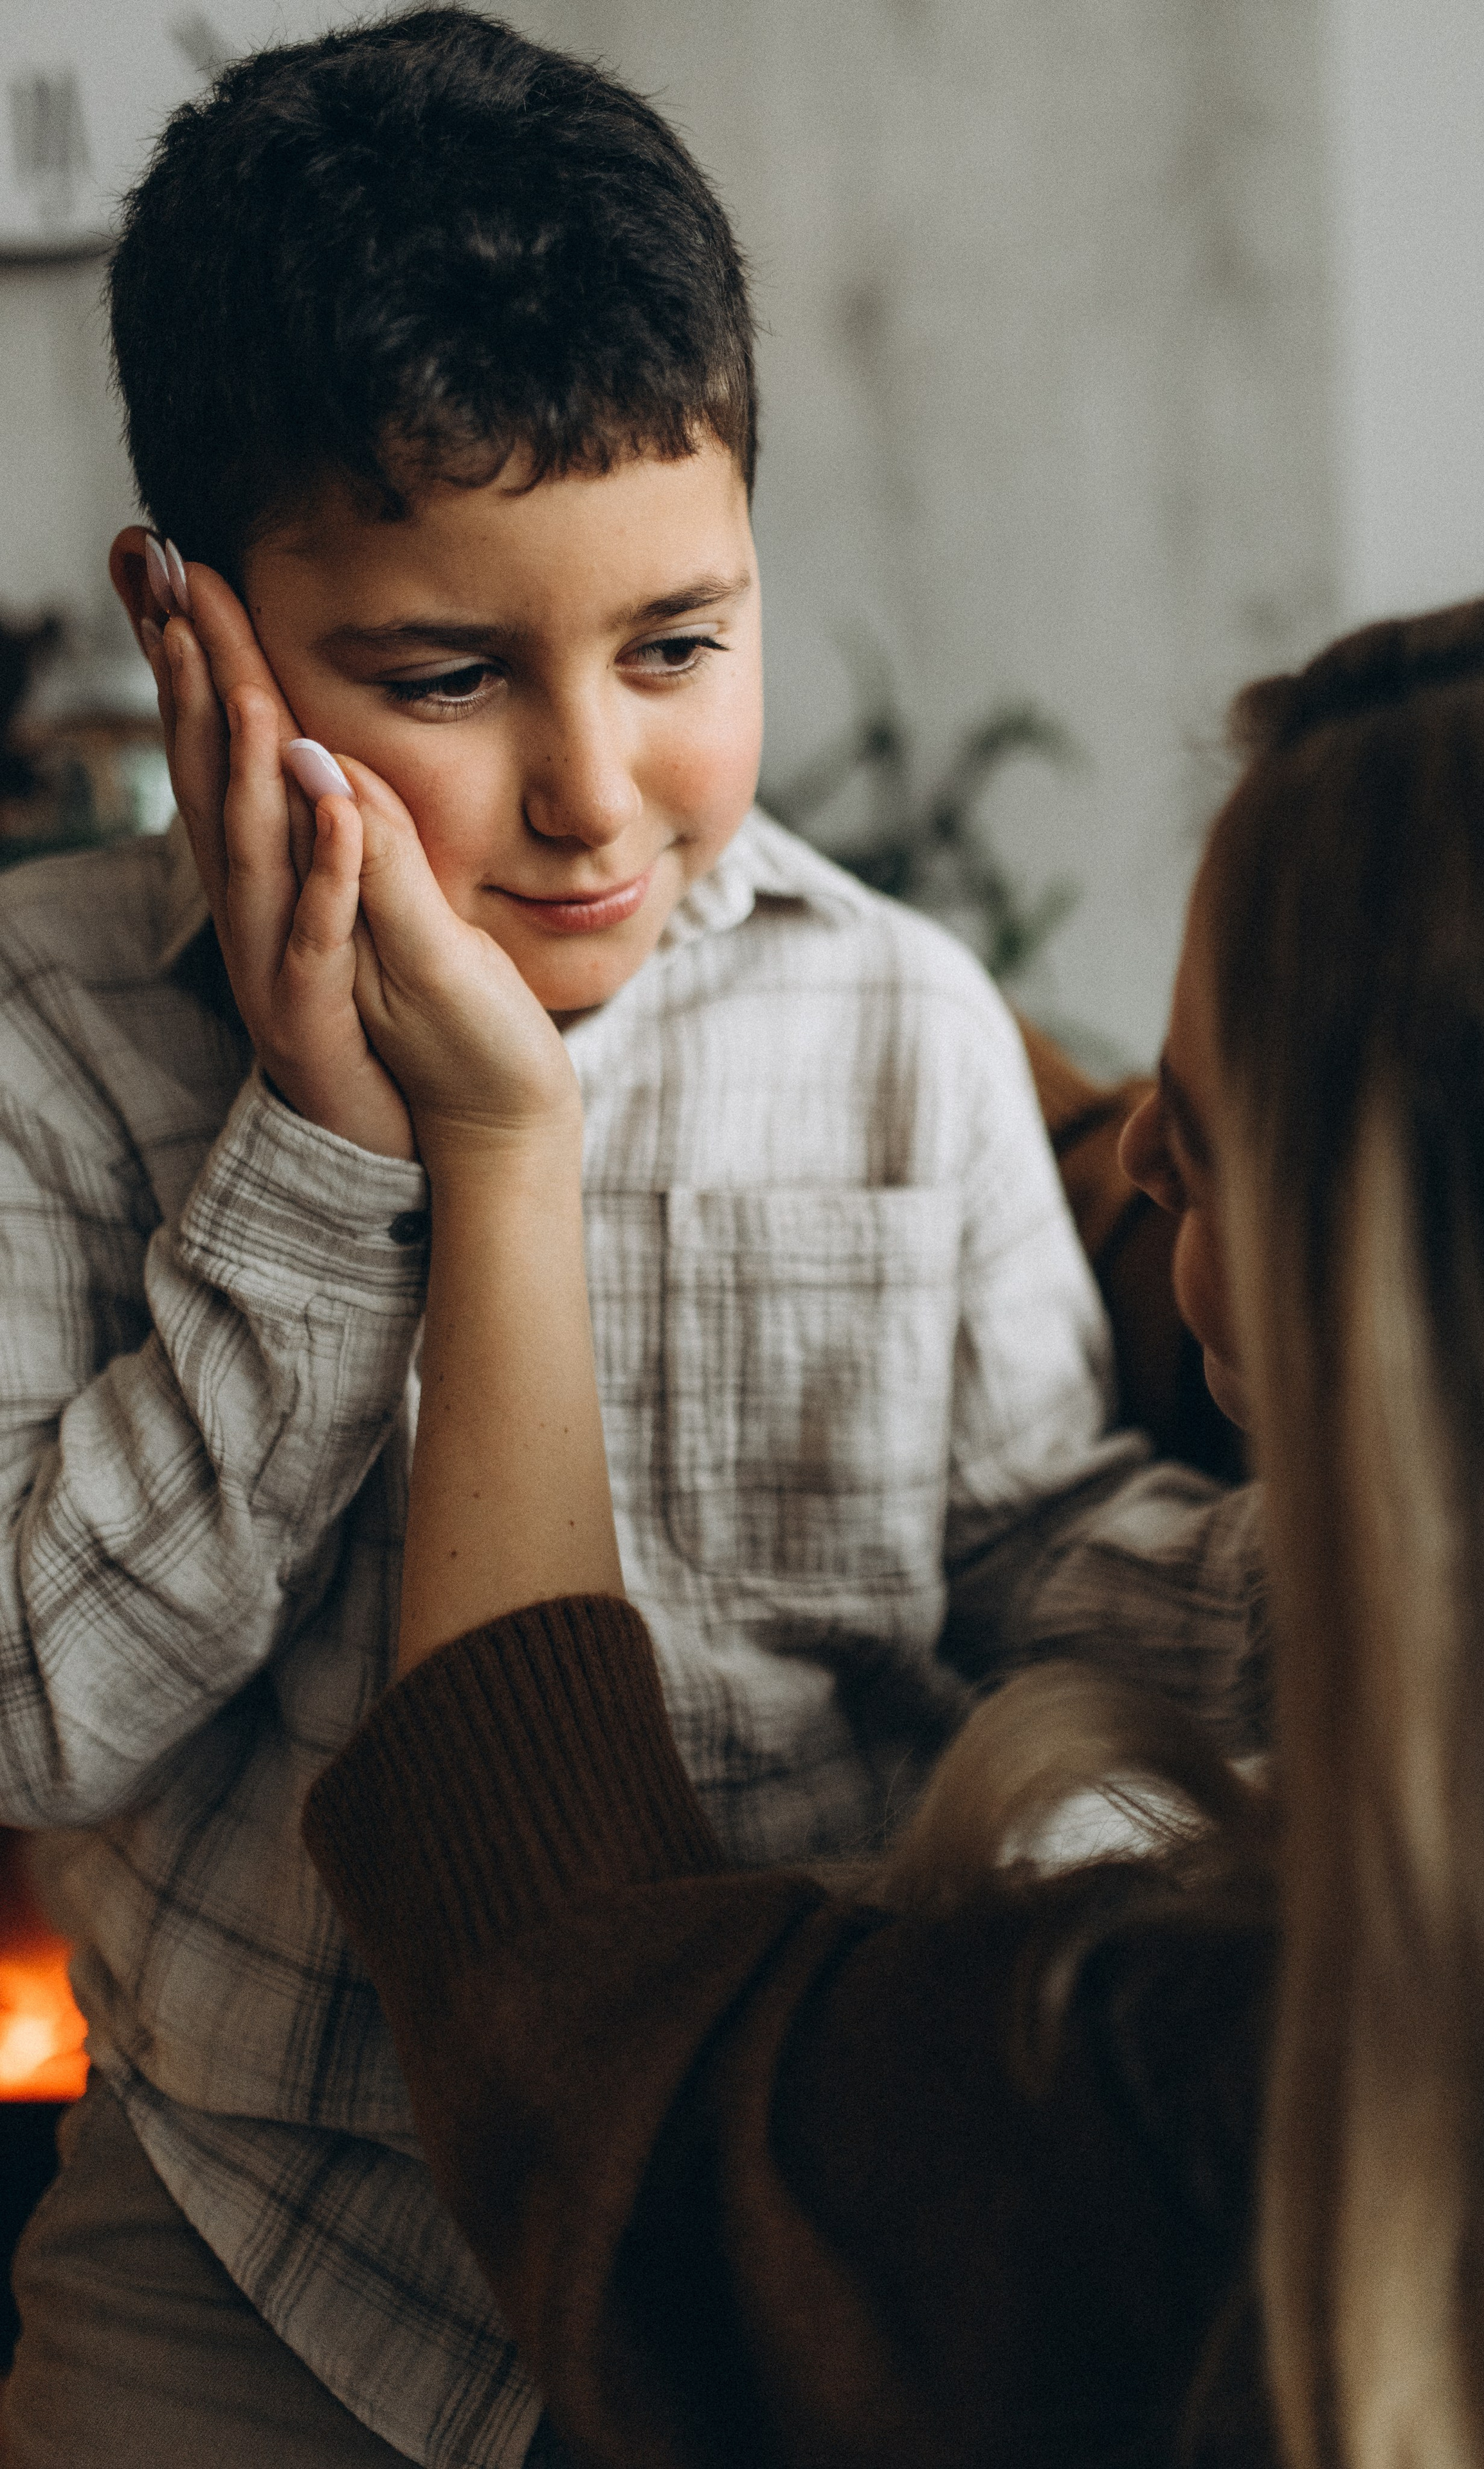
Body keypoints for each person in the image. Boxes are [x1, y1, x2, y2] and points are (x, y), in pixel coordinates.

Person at [0, 13, 1260, 2464]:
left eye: (680, 646)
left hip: (766, 2207)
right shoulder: (49, 1042)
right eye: (447, 677)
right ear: (203, 642)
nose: (595, 793)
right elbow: (38, 1716)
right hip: (253, 2246)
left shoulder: (893, 1017)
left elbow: (1024, 1550)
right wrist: (333, 1166)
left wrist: (1372, 1604)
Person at [300, 577, 1484, 2469]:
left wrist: (514, 1158)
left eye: (1205, 1129)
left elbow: (615, 2058)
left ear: (1420, 1287)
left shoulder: (1187, 2091)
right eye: (453, 668)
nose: (1147, 1155)